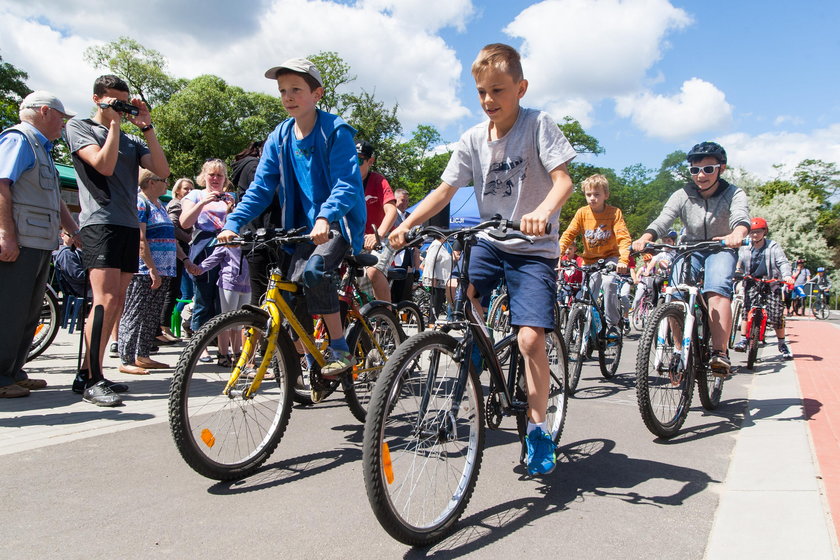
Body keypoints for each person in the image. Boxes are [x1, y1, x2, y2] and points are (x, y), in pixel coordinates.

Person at [389, 43, 576, 476]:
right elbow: (444, 191)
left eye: (498, 90)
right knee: (460, 293)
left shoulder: (537, 125)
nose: (489, 100)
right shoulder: (473, 138)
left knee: (530, 339)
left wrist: (543, 212)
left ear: (520, 88)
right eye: (481, 92)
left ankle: (537, 429)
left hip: (532, 248)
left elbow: (564, 180)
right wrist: (405, 224)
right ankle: (480, 350)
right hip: (490, 241)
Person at [219, 57, 366, 376]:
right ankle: (309, 356)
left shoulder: (335, 130)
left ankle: (339, 347)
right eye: (282, 90)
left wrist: (326, 217)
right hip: (297, 228)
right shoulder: (279, 136)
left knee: (314, 271)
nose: (287, 96)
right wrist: (232, 223)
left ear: (317, 94)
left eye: (296, 89)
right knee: (291, 290)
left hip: (334, 224)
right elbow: (260, 187)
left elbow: (347, 183)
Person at [65, 74, 170, 406]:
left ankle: (91, 372)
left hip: (126, 224)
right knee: (105, 299)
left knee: (117, 300)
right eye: (114, 101)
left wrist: (146, 127)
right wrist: (112, 124)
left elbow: (162, 170)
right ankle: (91, 378)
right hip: (100, 223)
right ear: (97, 99)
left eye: (123, 103)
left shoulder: (130, 139)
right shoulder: (81, 128)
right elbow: (104, 166)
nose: (120, 109)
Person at [631, 141, 750, 375]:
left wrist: (737, 233)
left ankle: (719, 353)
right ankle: (679, 351)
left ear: (721, 169)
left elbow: (740, 217)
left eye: (708, 169)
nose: (701, 175)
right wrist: (646, 237)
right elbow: (664, 219)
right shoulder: (682, 194)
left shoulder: (733, 193)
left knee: (716, 291)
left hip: (721, 247)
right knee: (674, 296)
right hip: (689, 248)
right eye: (695, 170)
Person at [0, 91, 80, 398]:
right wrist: (6, 234)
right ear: (44, 111)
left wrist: (72, 230)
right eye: (61, 118)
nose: (63, 124)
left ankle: (13, 372)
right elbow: (1, 183)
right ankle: (0, 377)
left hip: (38, 243)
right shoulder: (18, 139)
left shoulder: (42, 149)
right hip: (19, 242)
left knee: (29, 311)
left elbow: (53, 198)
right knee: (9, 310)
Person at [118, 170, 199, 374]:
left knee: (151, 315)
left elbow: (171, 239)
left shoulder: (160, 206)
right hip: (144, 271)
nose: (167, 185)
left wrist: (185, 259)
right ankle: (126, 359)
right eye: (164, 181)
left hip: (165, 270)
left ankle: (143, 355)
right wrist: (151, 268)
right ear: (151, 182)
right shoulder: (140, 202)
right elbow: (140, 239)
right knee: (135, 314)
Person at [559, 174, 632, 332]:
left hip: (610, 258)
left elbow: (623, 238)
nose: (592, 198)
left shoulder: (614, 213)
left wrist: (623, 261)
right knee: (588, 294)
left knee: (608, 283)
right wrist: (557, 254)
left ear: (606, 195)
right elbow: (569, 234)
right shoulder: (582, 213)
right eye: (588, 194)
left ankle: (613, 324)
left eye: (597, 194)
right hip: (590, 260)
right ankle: (586, 332)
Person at [179, 159, 235, 335]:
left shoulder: (230, 197)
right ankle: (199, 340)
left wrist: (230, 210)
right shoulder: (196, 195)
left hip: (227, 248)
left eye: (220, 175)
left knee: (224, 296)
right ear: (204, 176)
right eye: (212, 174)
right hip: (204, 247)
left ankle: (222, 343)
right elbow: (185, 223)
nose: (215, 179)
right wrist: (203, 203)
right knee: (204, 296)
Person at [733, 217, 793, 359]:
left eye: (758, 232)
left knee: (777, 314)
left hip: (771, 282)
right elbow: (738, 262)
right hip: (751, 281)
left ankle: (782, 344)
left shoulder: (773, 246)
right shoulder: (745, 246)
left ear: (764, 232)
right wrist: (737, 272)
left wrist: (787, 276)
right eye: (752, 232)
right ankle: (742, 340)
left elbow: (782, 262)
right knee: (746, 310)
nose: (755, 235)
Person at [231, 140, 282, 304]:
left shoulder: (250, 165)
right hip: (259, 238)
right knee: (261, 295)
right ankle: (255, 328)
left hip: (261, 237)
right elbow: (267, 195)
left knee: (267, 293)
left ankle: (261, 327)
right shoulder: (254, 166)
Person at [194, 237, 251, 365]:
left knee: (239, 323)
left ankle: (237, 353)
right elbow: (215, 257)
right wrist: (200, 268)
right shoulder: (227, 238)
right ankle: (223, 354)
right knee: (226, 320)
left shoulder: (252, 238)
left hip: (248, 285)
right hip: (229, 283)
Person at [357, 140, 399, 302]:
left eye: (359, 160)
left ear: (370, 161)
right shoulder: (345, 183)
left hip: (383, 237)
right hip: (357, 240)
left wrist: (378, 234)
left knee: (373, 271)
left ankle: (385, 320)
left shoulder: (378, 181)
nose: (354, 164)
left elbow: (392, 211)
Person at [159, 177, 195, 342]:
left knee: (175, 291)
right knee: (172, 290)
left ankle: (166, 327)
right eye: (186, 188)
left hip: (181, 251)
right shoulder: (176, 204)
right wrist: (190, 237)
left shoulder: (187, 205)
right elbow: (172, 226)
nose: (188, 191)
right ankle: (164, 327)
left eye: (191, 189)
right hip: (176, 250)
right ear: (178, 190)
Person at [420, 234, 452, 322]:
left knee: (439, 301)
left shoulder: (441, 246)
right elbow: (430, 261)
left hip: (441, 279)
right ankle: (432, 321)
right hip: (436, 279)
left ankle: (434, 320)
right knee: (435, 301)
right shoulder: (435, 245)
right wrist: (432, 277)